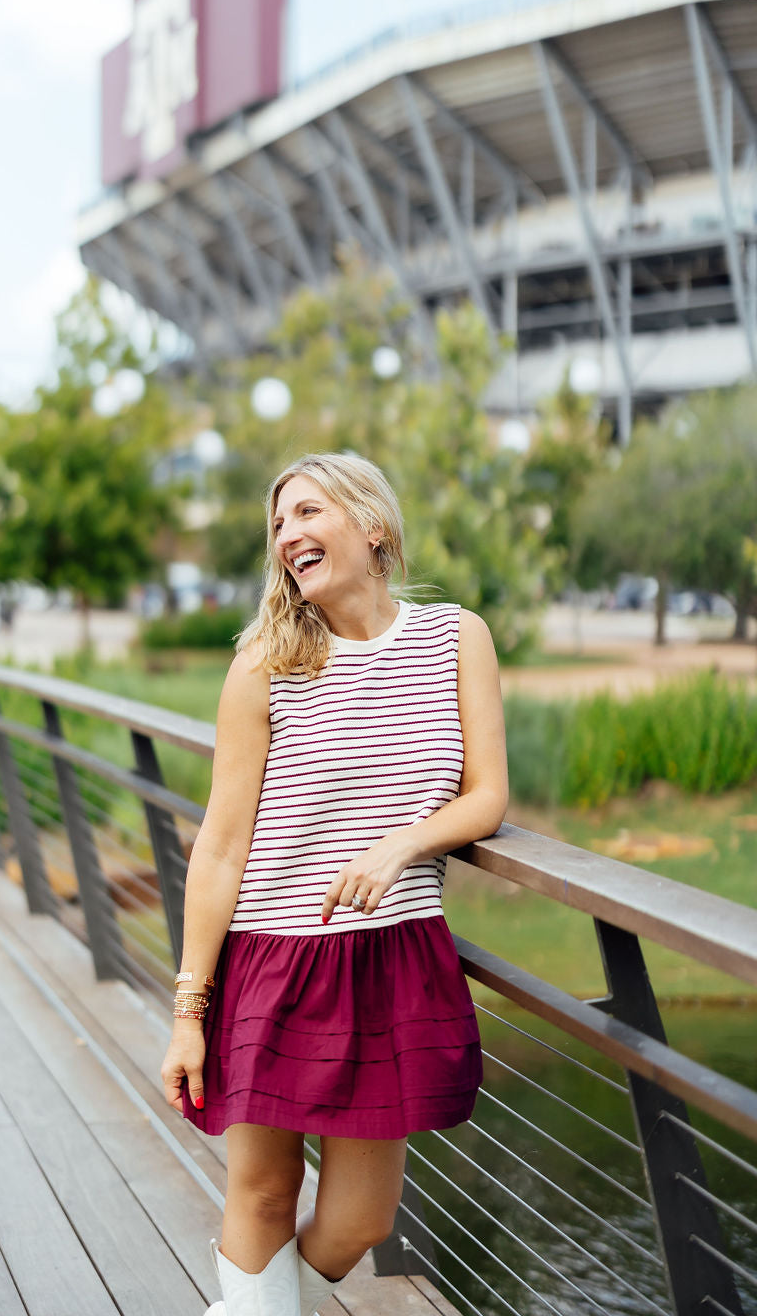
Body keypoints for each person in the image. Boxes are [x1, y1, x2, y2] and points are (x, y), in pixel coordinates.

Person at [160, 451, 509, 1316]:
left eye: (308, 513)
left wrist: (400, 849)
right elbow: (220, 847)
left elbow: (488, 795)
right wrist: (188, 1011)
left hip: (392, 957)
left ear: (373, 526)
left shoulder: (456, 637)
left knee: (359, 1220)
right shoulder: (263, 665)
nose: (288, 536)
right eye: (279, 523)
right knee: (267, 1195)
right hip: (274, 959)